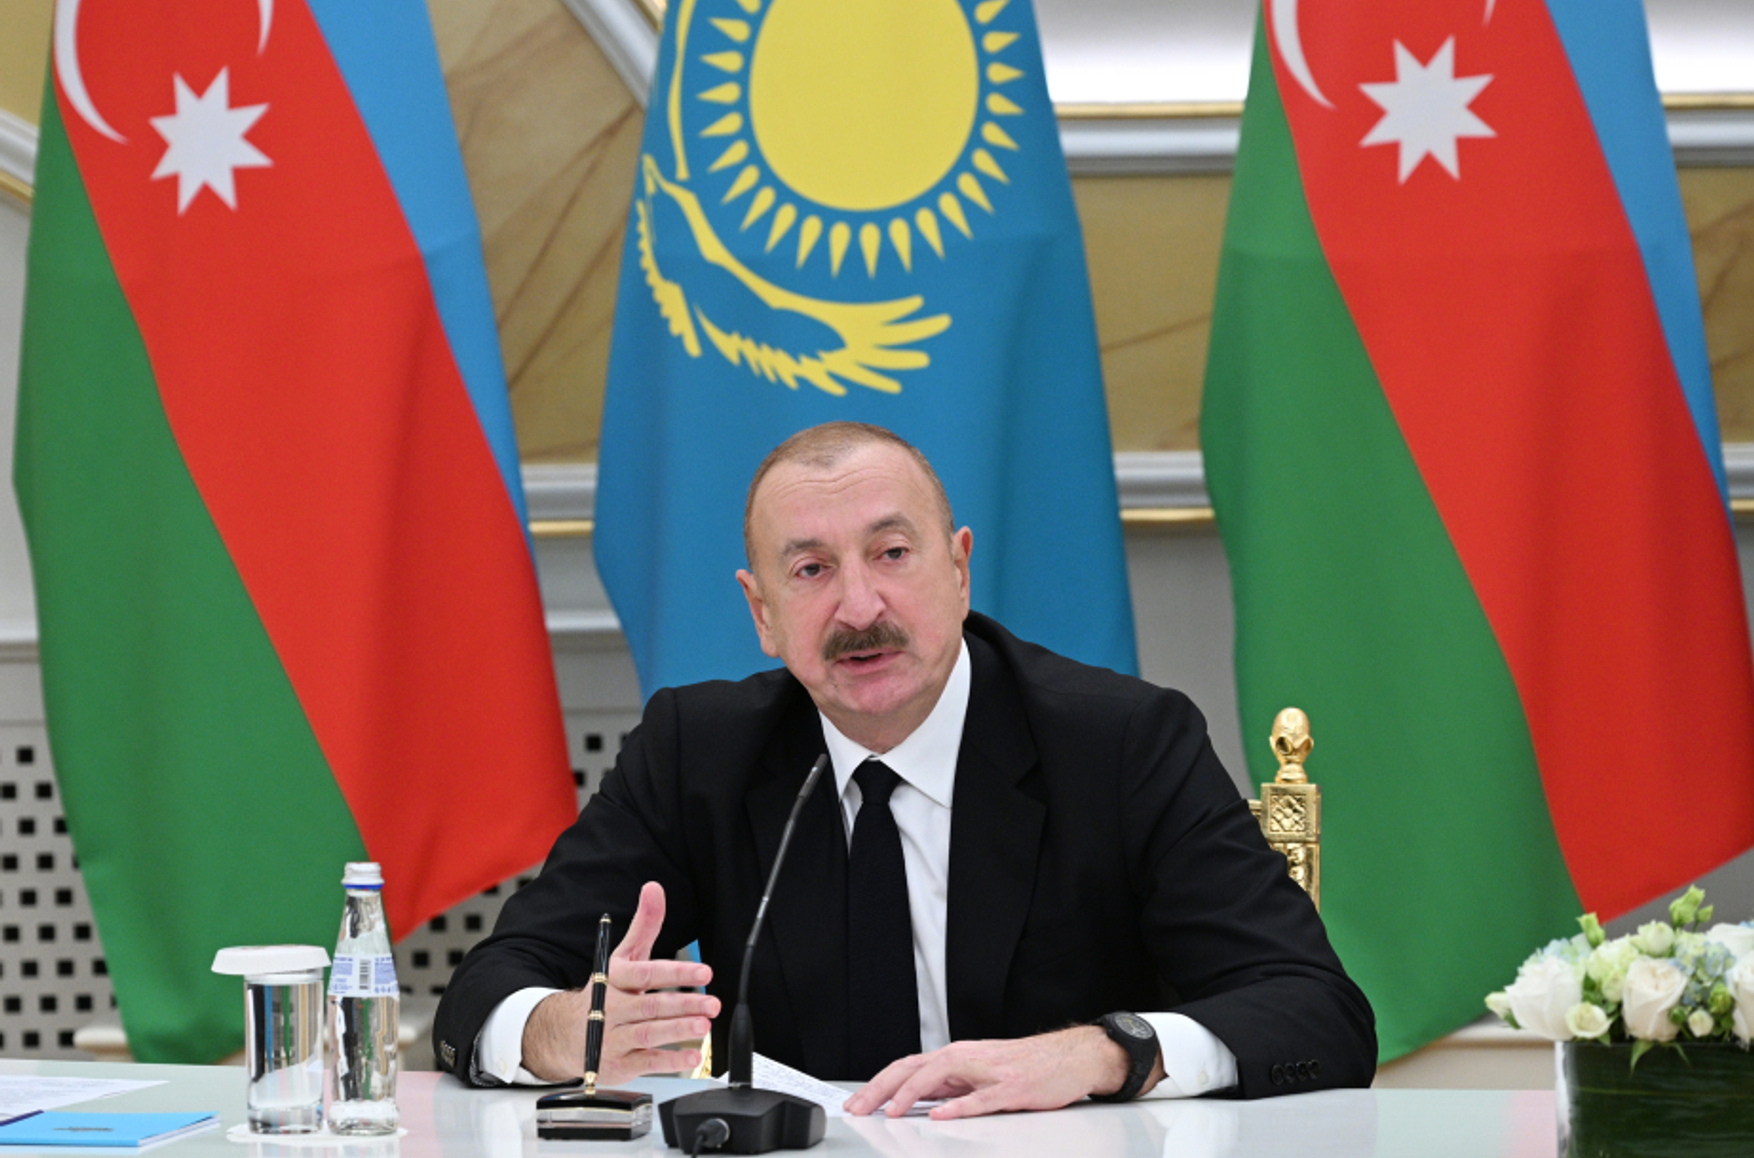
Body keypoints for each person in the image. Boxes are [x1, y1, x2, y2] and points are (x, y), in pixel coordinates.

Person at [433, 422, 1375, 1117]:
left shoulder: (1122, 744)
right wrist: (568, 1030)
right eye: (810, 571)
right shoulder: (700, 751)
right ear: (762, 614)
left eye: (891, 554)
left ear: (958, 571)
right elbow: (486, 989)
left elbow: (1318, 1013)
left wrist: (1103, 1053)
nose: (859, 607)